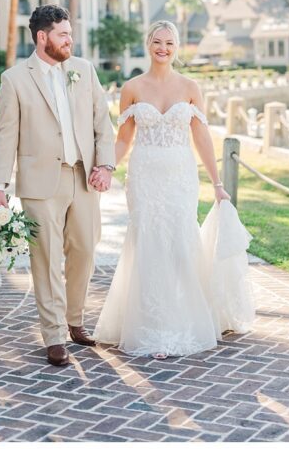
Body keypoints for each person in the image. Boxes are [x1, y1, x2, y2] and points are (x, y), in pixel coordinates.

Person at [93, 20, 250, 358]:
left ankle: (186, 319)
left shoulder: (191, 87)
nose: (163, 48)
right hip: (144, 176)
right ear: (147, 44)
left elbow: (202, 137)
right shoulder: (132, 88)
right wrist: (107, 167)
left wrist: (217, 184)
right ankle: (153, 326)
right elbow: (123, 139)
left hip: (180, 176)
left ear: (177, 47)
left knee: (180, 242)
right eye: (157, 42)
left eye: (169, 43)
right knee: (148, 243)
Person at [0, 5, 116, 367]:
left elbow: (102, 123)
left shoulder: (83, 70)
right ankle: (55, 335)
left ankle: (75, 319)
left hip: (84, 177)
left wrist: (104, 166)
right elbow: (6, 135)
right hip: (39, 183)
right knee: (45, 259)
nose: (70, 40)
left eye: (70, 33)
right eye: (63, 34)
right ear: (42, 37)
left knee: (85, 251)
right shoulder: (14, 79)